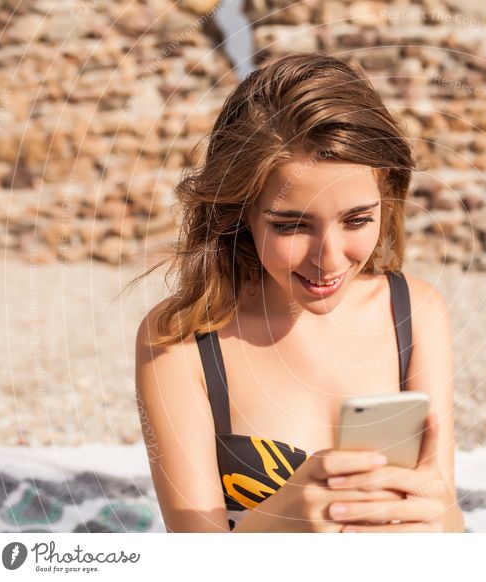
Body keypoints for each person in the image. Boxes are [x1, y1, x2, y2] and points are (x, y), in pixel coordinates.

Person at [131, 52, 464, 533]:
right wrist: (278, 523)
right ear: (238, 212)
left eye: (357, 219)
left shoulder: (416, 311)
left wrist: (443, 522)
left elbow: (445, 514)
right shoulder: (179, 342)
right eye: (291, 225)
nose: (328, 259)